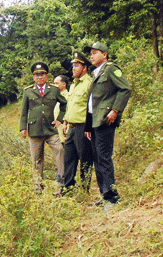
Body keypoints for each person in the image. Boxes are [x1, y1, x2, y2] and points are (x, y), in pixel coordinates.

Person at [83, 42, 131, 208]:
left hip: (105, 119)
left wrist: (115, 110)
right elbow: (91, 104)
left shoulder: (110, 69)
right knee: (97, 158)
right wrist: (88, 126)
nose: (91, 56)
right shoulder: (95, 73)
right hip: (95, 122)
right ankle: (104, 194)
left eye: (95, 52)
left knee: (104, 157)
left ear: (104, 54)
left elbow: (125, 89)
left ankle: (112, 196)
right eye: (91, 53)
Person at [20, 62, 67, 194]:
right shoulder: (28, 91)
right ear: (33, 77)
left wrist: (60, 119)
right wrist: (22, 128)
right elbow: (24, 111)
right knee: (36, 159)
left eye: (42, 74)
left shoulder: (54, 90)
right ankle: (38, 186)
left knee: (60, 151)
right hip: (34, 130)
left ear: (46, 76)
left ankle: (62, 182)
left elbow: (64, 104)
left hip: (50, 129)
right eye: (37, 75)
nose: (39, 77)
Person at [58, 51, 94, 195]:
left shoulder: (89, 84)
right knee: (69, 159)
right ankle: (68, 189)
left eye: (77, 65)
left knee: (85, 159)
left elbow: (91, 107)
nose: (73, 68)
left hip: (83, 127)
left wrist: (89, 127)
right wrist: (65, 121)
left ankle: (85, 190)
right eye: (73, 65)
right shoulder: (73, 85)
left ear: (84, 67)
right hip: (71, 127)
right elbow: (70, 105)